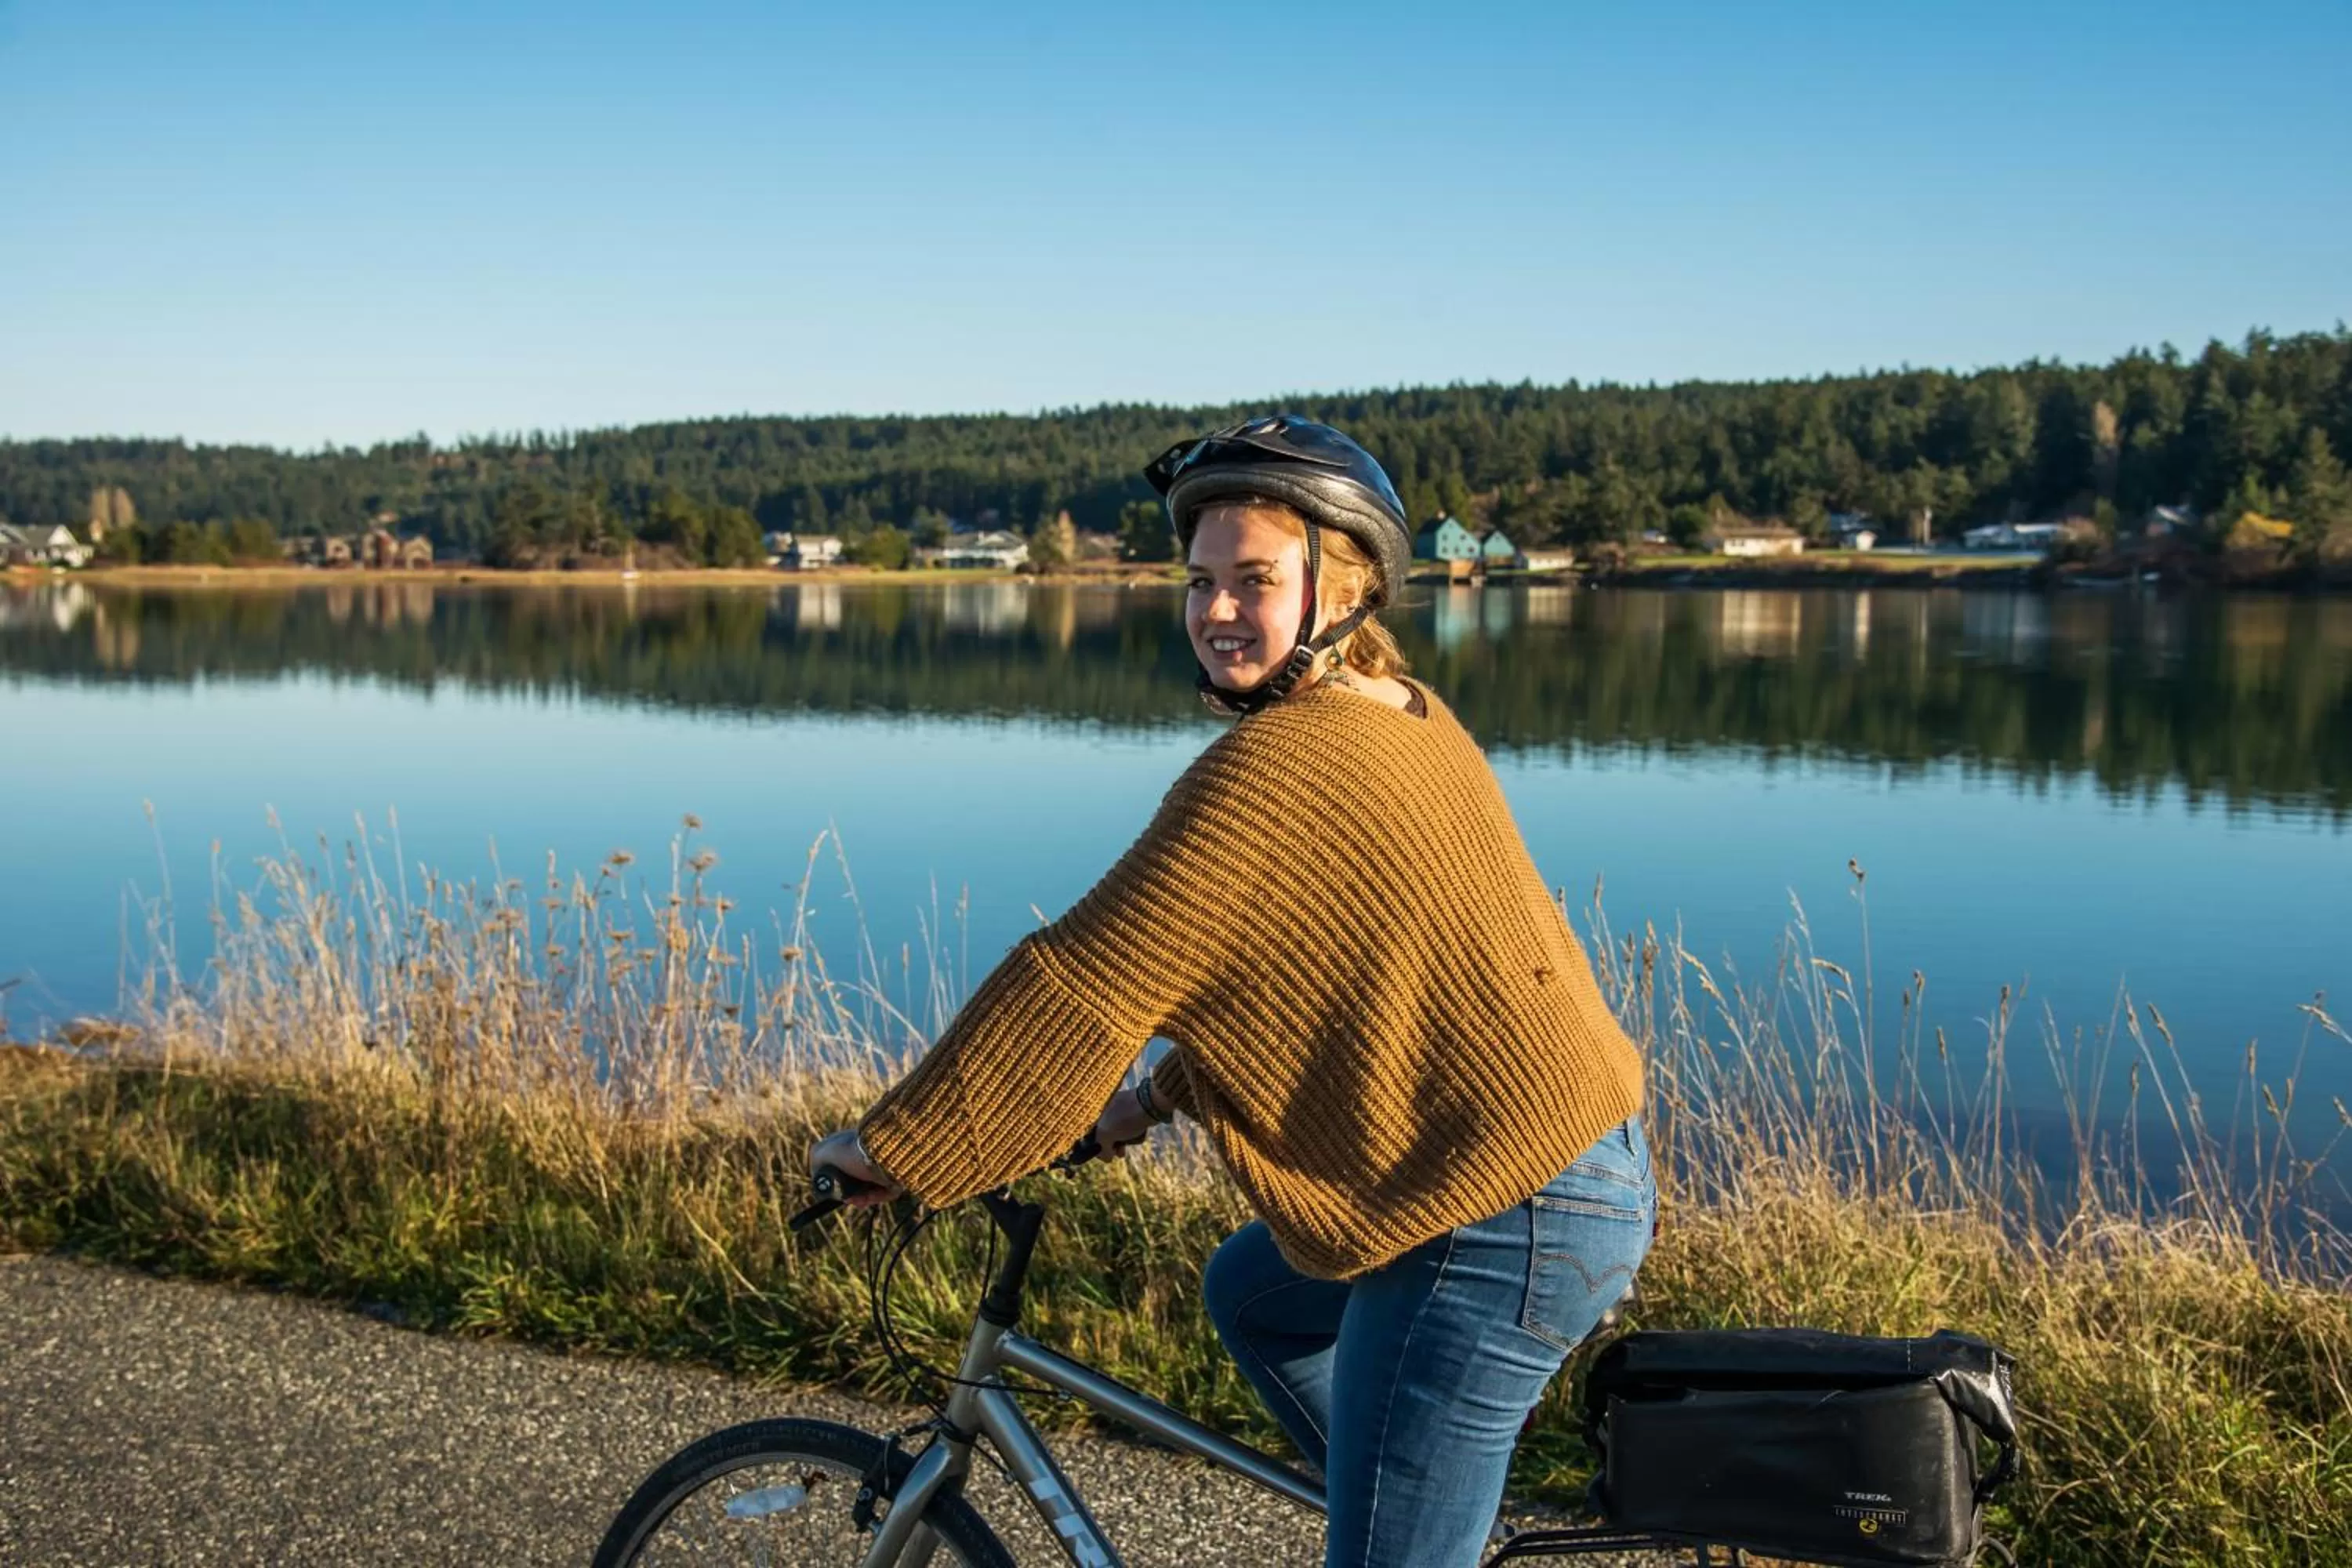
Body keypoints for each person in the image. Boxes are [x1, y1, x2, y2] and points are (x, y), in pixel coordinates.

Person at [809, 414, 1656, 1568]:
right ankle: (1409, 1511)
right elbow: (1312, 979)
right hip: (1568, 1163)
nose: (1213, 611)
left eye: (1253, 580)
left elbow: (1078, 984)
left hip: (1500, 1219)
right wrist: (1148, 1104)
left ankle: (1404, 1531)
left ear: (1343, 583)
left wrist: (897, 1148)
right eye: (1199, 580)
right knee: (1255, 1296)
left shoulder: (1273, 768)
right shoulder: (1400, 714)